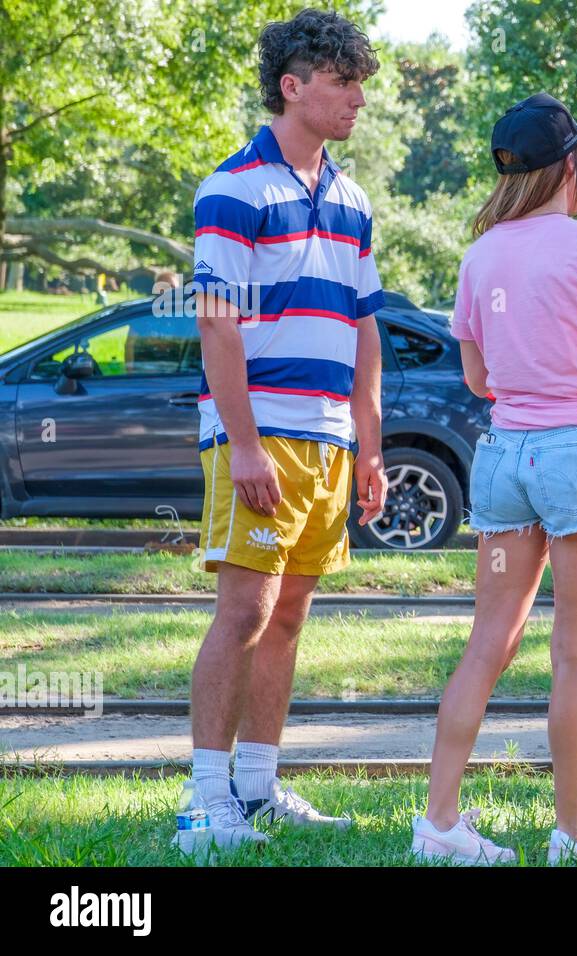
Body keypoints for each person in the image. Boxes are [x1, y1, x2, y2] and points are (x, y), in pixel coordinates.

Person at [412, 93, 577, 865]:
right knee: (574, 654)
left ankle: (440, 824)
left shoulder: (481, 254)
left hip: (502, 460)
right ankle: (573, 833)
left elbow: (479, 378)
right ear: (573, 166)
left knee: (488, 642)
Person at [176, 9, 386, 854]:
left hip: (332, 437)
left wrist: (370, 445)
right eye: (342, 82)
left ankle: (258, 787)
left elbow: (366, 327)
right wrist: (248, 442)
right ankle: (203, 803)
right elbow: (217, 324)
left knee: (291, 611)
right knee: (245, 610)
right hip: (259, 432)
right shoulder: (231, 187)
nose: (358, 99)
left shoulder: (354, 198)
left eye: (361, 82)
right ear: (292, 86)